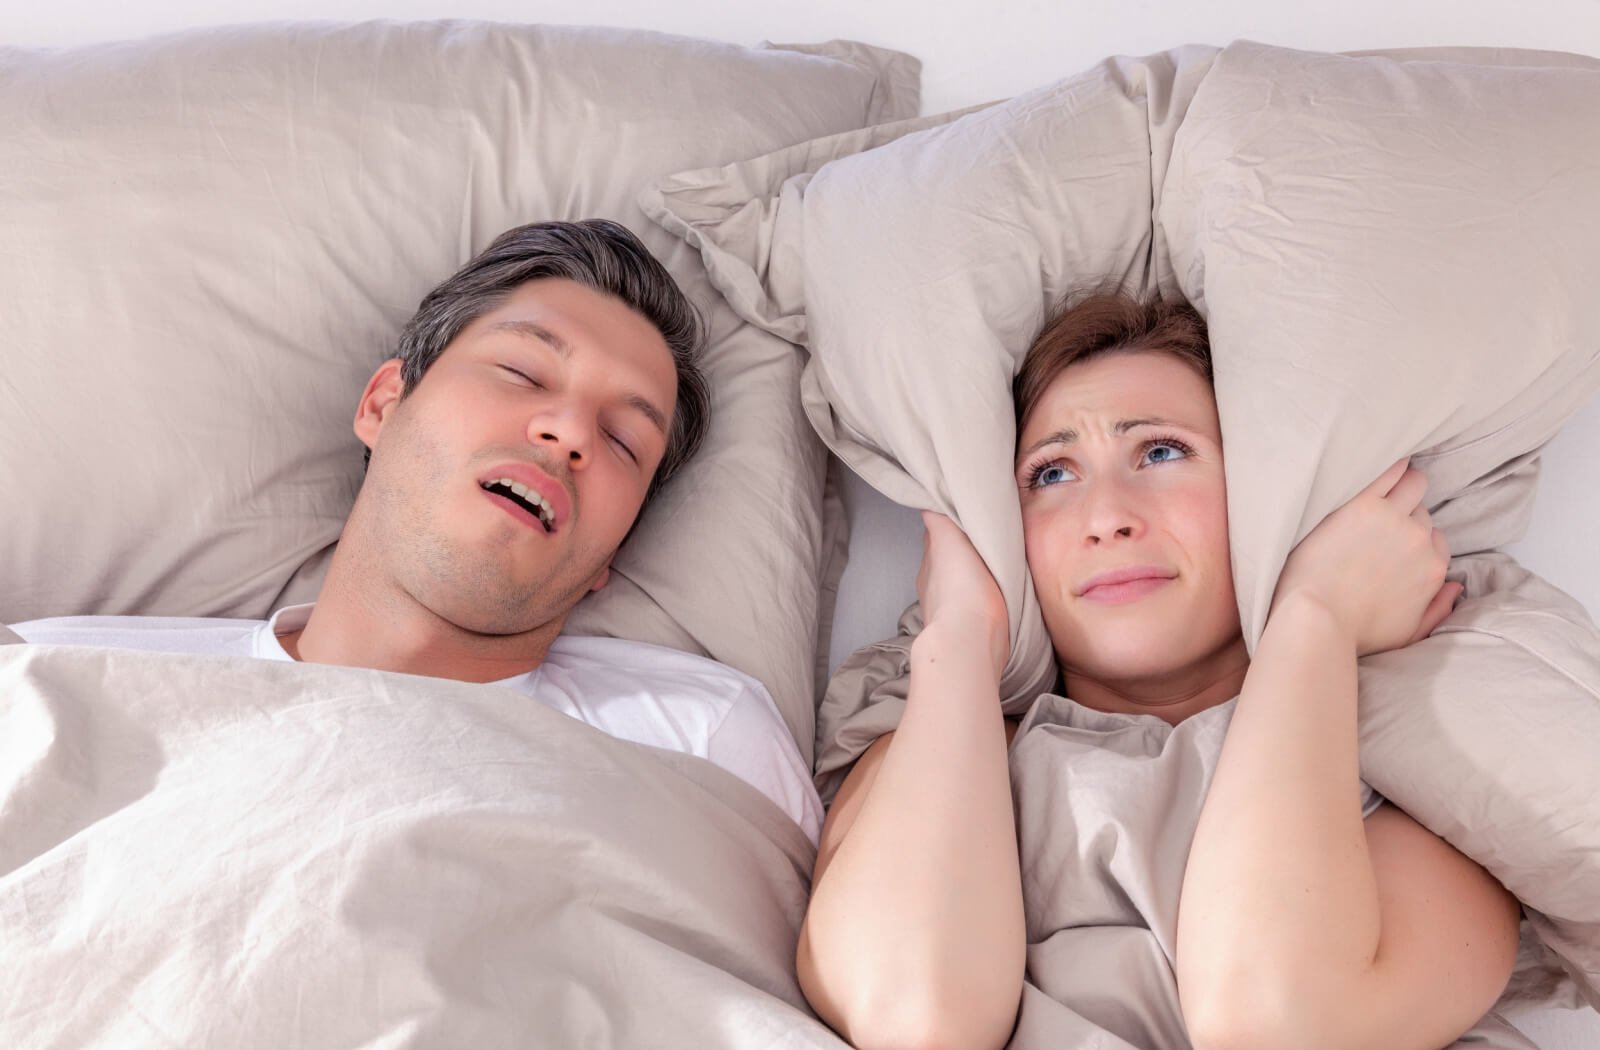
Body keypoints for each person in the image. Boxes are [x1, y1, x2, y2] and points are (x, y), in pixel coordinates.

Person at [797, 292, 1520, 1047]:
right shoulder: (934, 745)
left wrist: (1315, 614)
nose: (1107, 514)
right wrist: (959, 633)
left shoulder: (1415, 773)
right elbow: (911, 1019)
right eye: (1050, 474)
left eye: (1161, 452)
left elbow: (1278, 1026)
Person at [13, 219, 822, 843]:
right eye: (524, 372)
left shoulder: (699, 742)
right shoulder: (54, 681)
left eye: (623, 443)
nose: (570, 431)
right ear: (383, 404)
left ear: (606, 559)